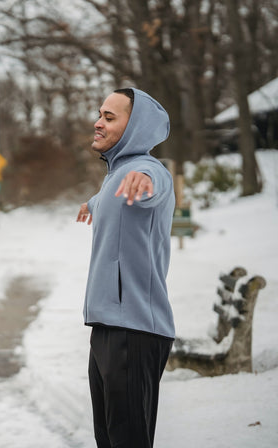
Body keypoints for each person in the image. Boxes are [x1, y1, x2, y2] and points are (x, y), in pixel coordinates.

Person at [76, 88, 175, 448]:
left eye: (109, 117)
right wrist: (93, 202)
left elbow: (154, 184)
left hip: (135, 330)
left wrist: (146, 183)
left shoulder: (147, 170)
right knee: (109, 440)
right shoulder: (116, 175)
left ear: (134, 128)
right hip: (106, 328)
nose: (98, 122)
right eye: (100, 114)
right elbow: (114, 194)